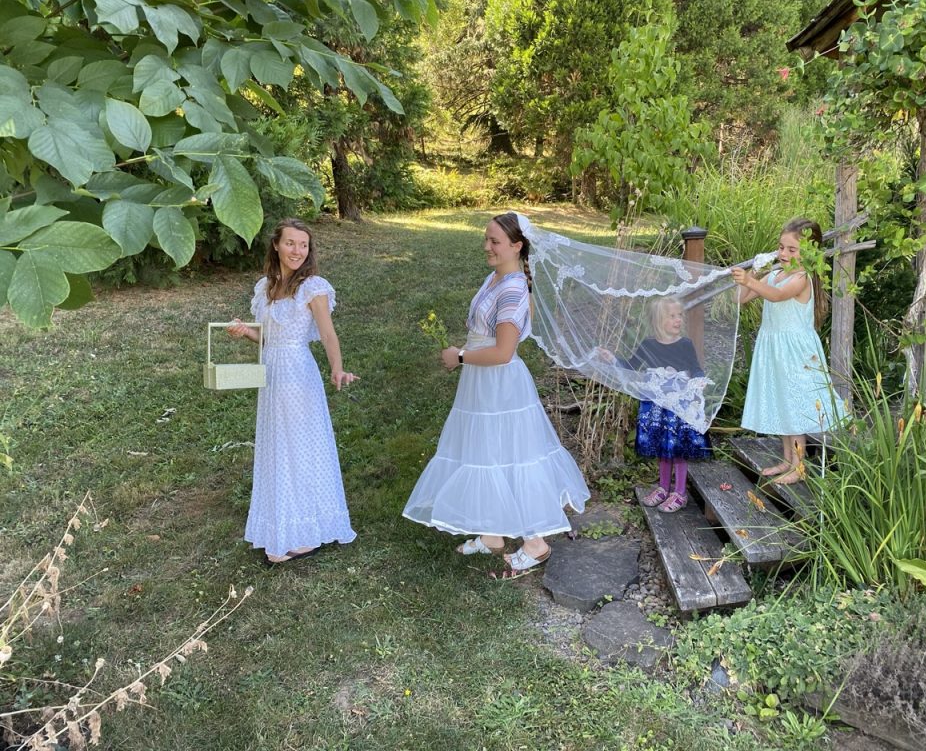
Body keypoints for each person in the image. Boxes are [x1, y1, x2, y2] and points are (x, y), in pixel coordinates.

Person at [402, 212, 590, 574]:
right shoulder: (495, 278)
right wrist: (465, 352)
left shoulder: (514, 289)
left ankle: (535, 543)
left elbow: (503, 352)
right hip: (481, 381)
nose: (486, 246)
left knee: (511, 454)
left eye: (495, 241)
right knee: (484, 450)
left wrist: (459, 356)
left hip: (500, 386)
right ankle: (492, 532)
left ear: (516, 246)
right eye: (486, 239)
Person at [227, 218, 359, 564]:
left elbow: (327, 334)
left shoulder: (312, 287)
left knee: (300, 448)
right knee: (277, 447)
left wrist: (337, 368)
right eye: (290, 243)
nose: (297, 250)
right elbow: (268, 337)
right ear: (276, 245)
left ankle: (307, 532)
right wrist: (246, 331)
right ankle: (283, 524)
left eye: (303, 244)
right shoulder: (266, 287)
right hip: (272, 374)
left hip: (298, 375)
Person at [730, 217, 846, 484]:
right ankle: (787, 460)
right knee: (782, 400)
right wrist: (749, 277)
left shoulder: (802, 278)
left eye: (792, 249)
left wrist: (751, 281)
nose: (783, 253)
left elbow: (776, 296)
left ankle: (799, 465)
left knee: (794, 403)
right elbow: (741, 299)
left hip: (795, 352)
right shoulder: (773, 275)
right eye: (781, 247)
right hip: (774, 348)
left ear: (809, 253)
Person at [611, 297, 712, 513]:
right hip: (656, 405)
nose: (678, 320)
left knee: (677, 447)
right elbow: (631, 365)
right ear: (659, 320)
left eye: (679, 315)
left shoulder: (685, 344)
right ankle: (663, 488)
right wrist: (611, 359)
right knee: (662, 447)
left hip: (678, 403)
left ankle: (680, 492)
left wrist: (699, 379)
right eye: (672, 316)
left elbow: (695, 367)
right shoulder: (648, 345)